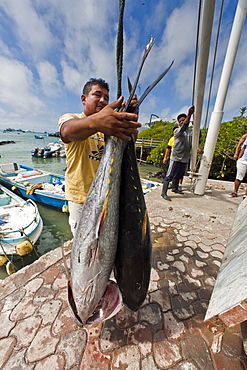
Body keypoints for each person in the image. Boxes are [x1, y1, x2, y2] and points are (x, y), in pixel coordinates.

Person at [58, 78, 141, 235]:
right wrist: (96, 123)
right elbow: (67, 131)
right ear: (84, 99)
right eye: (97, 95)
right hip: (80, 200)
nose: (103, 100)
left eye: (106, 98)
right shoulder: (72, 119)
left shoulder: (111, 126)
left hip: (108, 200)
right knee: (84, 247)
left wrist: (130, 115)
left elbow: (128, 143)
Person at [161, 105, 195, 201]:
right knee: (169, 175)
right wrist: (189, 114)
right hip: (175, 157)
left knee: (179, 175)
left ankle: (175, 189)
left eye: (184, 120)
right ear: (178, 123)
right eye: (180, 121)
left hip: (184, 158)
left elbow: (197, 134)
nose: (182, 122)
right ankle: (163, 193)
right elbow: (184, 126)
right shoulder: (177, 131)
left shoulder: (190, 132)